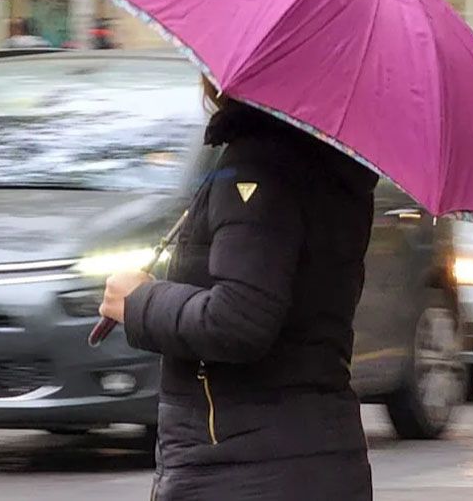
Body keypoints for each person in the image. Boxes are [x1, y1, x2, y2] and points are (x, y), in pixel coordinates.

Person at [99, 78, 379, 500]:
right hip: (317, 456)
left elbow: (239, 320)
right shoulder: (329, 162)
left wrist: (139, 302)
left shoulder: (259, 165)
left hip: (241, 468)